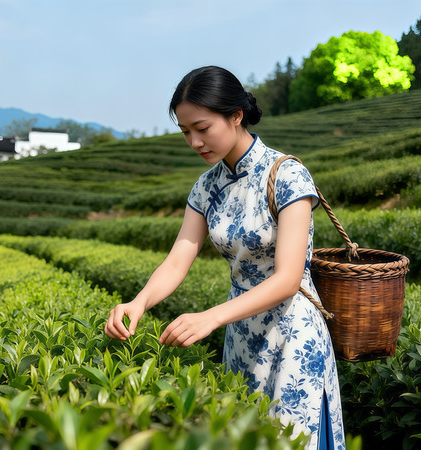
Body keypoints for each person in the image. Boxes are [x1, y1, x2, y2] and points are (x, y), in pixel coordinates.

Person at [104, 65, 345, 450]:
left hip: (291, 334)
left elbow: (287, 278)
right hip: (241, 337)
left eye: (202, 128)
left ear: (235, 116)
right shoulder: (206, 186)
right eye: (186, 132)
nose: (195, 142)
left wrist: (211, 317)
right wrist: (139, 302)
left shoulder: (287, 175)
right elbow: (178, 259)